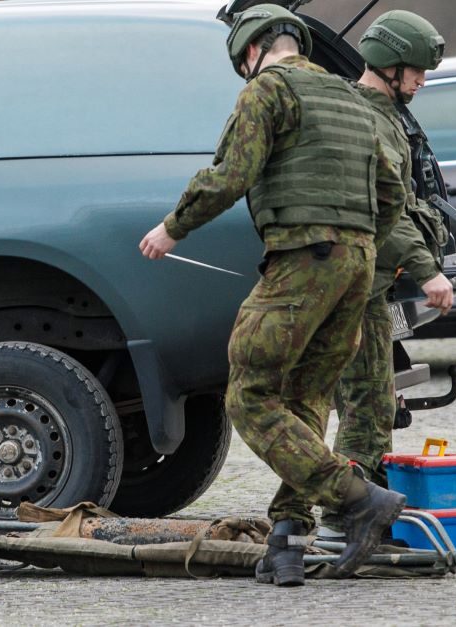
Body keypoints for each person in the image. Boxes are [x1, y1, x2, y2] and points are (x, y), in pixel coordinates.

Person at [139, 3, 408, 585]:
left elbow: (230, 174)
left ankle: (358, 497)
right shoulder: (350, 99)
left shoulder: (268, 91)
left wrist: (171, 229)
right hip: (357, 268)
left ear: (252, 50)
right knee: (306, 398)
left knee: (250, 393)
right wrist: (359, 244)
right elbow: (393, 192)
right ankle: (286, 541)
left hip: (304, 261)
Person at [320, 10, 454, 539]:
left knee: (370, 406)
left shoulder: (372, 111)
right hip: (354, 287)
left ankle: (358, 515)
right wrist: (428, 272)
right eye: (417, 71)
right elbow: (386, 210)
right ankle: (344, 518)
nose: (422, 81)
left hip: (362, 283)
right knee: (365, 410)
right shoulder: (371, 121)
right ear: (391, 65)